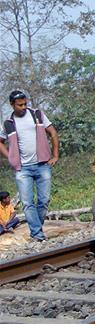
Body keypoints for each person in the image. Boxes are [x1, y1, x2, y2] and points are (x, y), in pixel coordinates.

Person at [0, 90, 59, 241]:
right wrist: (11, 157)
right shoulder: (8, 123)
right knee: (27, 203)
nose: (24, 107)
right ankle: (38, 235)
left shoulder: (37, 114)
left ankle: (36, 227)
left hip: (42, 164)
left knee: (44, 201)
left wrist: (55, 155)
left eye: (25, 104)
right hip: (22, 169)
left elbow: (52, 132)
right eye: (20, 105)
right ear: (12, 105)